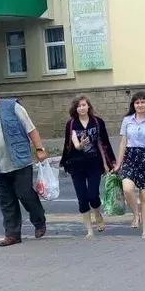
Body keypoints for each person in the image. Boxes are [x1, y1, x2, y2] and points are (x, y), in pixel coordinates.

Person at [0, 81, 50, 247]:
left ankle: (39, 220)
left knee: (25, 194)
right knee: (6, 202)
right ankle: (12, 234)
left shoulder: (12, 107)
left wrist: (39, 149)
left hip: (20, 162)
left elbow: (31, 129)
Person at [59, 95, 116, 238]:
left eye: (84, 105)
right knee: (82, 199)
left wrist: (110, 163)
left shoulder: (97, 122)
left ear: (88, 106)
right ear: (75, 108)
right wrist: (80, 145)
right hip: (76, 166)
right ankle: (89, 230)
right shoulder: (71, 124)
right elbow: (72, 143)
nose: (82, 108)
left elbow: (104, 143)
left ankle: (98, 215)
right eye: (79, 106)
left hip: (94, 164)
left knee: (93, 196)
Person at [113, 92, 145, 239]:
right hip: (130, 157)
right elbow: (123, 142)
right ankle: (136, 214)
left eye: (142, 102)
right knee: (127, 189)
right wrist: (118, 163)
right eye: (137, 103)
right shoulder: (127, 120)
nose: (140, 105)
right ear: (133, 105)